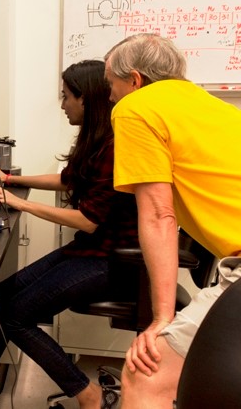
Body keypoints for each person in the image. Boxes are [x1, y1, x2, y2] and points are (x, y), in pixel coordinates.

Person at [0, 59, 139, 409]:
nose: (62, 104)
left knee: (15, 313)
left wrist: (18, 204)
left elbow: (88, 220)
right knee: (4, 293)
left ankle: (87, 394)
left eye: (66, 97)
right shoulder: (98, 138)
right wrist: (10, 180)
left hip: (111, 260)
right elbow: (70, 180)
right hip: (92, 249)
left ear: (86, 100)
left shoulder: (115, 146)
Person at [103, 33, 241, 408]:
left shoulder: (136, 107)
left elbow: (159, 215)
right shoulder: (219, 108)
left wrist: (161, 318)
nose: (110, 97)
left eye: (110, 85)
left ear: (134, 80)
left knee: (146, 375)